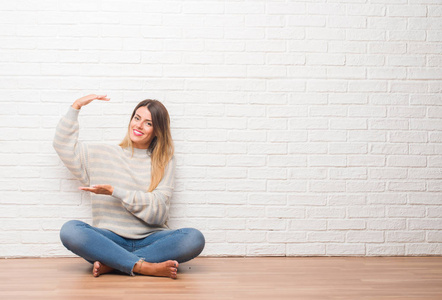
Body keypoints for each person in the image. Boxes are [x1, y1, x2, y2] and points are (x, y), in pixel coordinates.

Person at [53, 94, 205, 279]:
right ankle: (144, 267)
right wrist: (76, 106)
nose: (139, 126)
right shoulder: (103, 154)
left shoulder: (165, 161)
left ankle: (115, 264)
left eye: (148, 123)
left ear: (158, 130)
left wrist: (115, 192)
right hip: (110, 240)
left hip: (152, 239)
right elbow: (63, 146)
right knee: (70, 230)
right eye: (137, 118)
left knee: (194, 238)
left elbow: (158, 211)